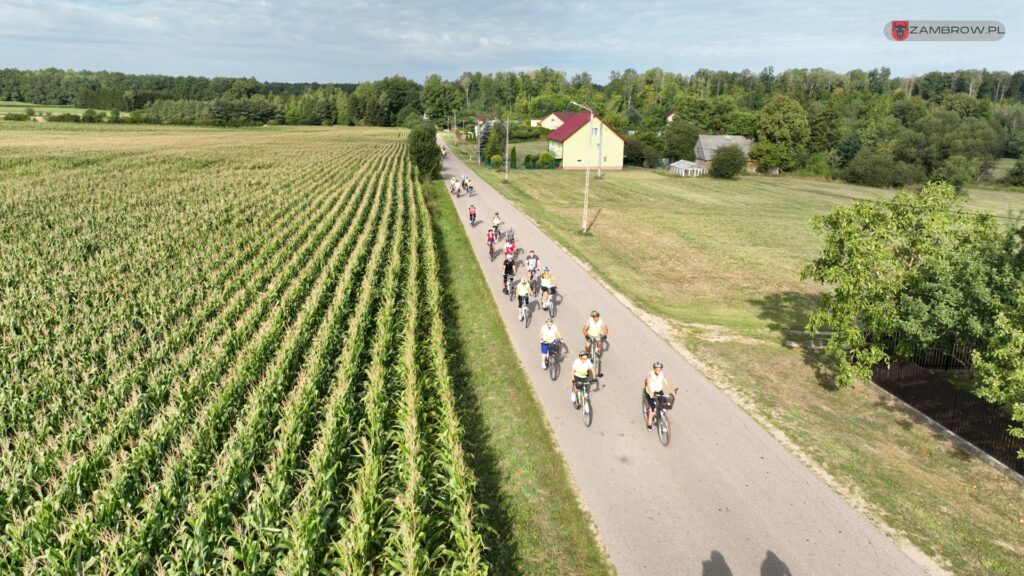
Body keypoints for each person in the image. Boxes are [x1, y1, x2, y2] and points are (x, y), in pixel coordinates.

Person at [644, 361, 676, 430]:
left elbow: (667, 384)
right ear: (654, 368)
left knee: (664, 404)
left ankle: (661, 416)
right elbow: (648, 384)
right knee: (652, 407)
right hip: (650, 391)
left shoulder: (662, 374)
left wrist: (672, 392)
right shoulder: (650, 374)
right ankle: (649, 423)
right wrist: (651, 393)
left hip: (659, 391)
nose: (658, 370)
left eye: (660, 369)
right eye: (657, 369)